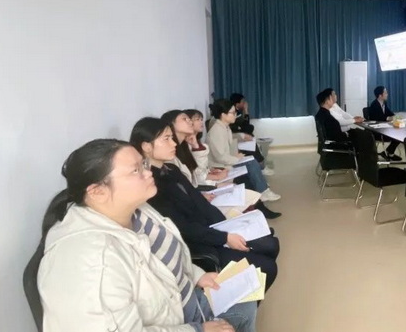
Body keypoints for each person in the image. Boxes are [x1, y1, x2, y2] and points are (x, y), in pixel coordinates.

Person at [37, 139, 257, 332]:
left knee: (246, 300)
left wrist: (197, 275)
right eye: (135, 171)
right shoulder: (93, 265)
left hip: (180, 300)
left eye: (143, 164)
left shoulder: (137, 209)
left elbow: (165, 257)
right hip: (175, 320)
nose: (148, 172)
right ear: (97, 191)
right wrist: (197, 329)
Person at [131, 118, 281, 292]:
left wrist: (227, 225)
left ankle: (248, 293)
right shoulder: (151, 185)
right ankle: (240, 301)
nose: (173, 143)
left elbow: (200, 201)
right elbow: (182, 227)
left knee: (270, 243)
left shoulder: (171, 170)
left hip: (210, 229)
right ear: (146, 146)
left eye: (172, 138)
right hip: (197, 243)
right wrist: (224, 237)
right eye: (166, 139)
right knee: (268, 266)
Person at [164, 110, 277, 219]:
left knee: (247, 172)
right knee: (244, 177)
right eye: (186, 119)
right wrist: (215, 180)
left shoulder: (187, 144)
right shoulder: (173, 154)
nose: (190, 122)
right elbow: (192, 180)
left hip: (205, 180)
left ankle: (259, 208)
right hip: (203, 186)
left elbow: (195, 171)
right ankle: (258, 207)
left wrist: (209, 170)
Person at [206, 100, 281, 202]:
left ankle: (262, 187)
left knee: (251, 159)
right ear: (223, 115)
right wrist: (236, 158)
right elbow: (220, 157)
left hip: (226, 161)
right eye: (233, 113)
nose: (235, 115)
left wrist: (241, 136)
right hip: (219, 166)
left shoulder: (224, 127)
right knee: (251, 162)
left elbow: (229, 138)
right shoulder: (217, 131)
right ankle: (263, 191)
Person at [367, 86, 402, 161]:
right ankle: (389, 153)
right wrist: (389, 118)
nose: (387, 94)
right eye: (385, 93)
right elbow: (378, 118)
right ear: (380, 95)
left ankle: (388, 152)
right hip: (377, 131)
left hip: (384, 129)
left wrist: (396, 117)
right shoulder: (374, 105)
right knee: (397, 136)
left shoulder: (384, 103)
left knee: (399, 134)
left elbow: (390, 113)